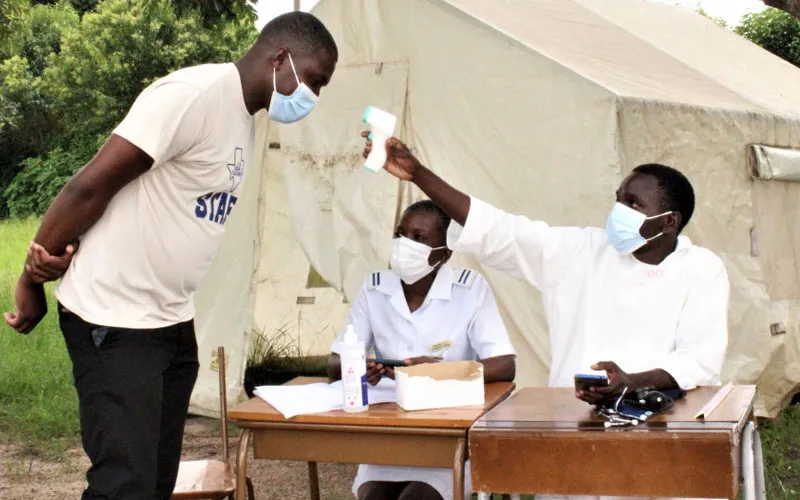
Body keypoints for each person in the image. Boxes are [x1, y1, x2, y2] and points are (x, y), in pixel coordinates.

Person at [3, 12, 337, 500]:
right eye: (315, 81)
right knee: (125, 484)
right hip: (114, 317)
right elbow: (91, 184)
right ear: (281, 58)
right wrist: (31, 281)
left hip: (171, 320)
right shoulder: (194, 96)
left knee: (157, 480)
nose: (315, 97)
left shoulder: (245, 120)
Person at [362, 135, 729, 500]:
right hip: (573, 427)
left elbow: (699, 358)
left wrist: (631, 382)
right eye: (618, 199)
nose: (618, 211)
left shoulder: (702, 269)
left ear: (669, 222)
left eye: (633, 204)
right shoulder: (582, 251)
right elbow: (501, 231)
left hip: (657, 434)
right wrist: (418, 174)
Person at [327, 200, 517, 500]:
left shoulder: (469, 288)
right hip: (391, 434)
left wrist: (437, 374)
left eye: (419, 237)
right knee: (375, 497)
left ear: (444, 252)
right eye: (401, 234)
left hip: (450, 435)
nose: (406, 244)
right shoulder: (375, 287)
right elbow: (335, 363)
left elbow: (505, 365)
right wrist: (360, 367)